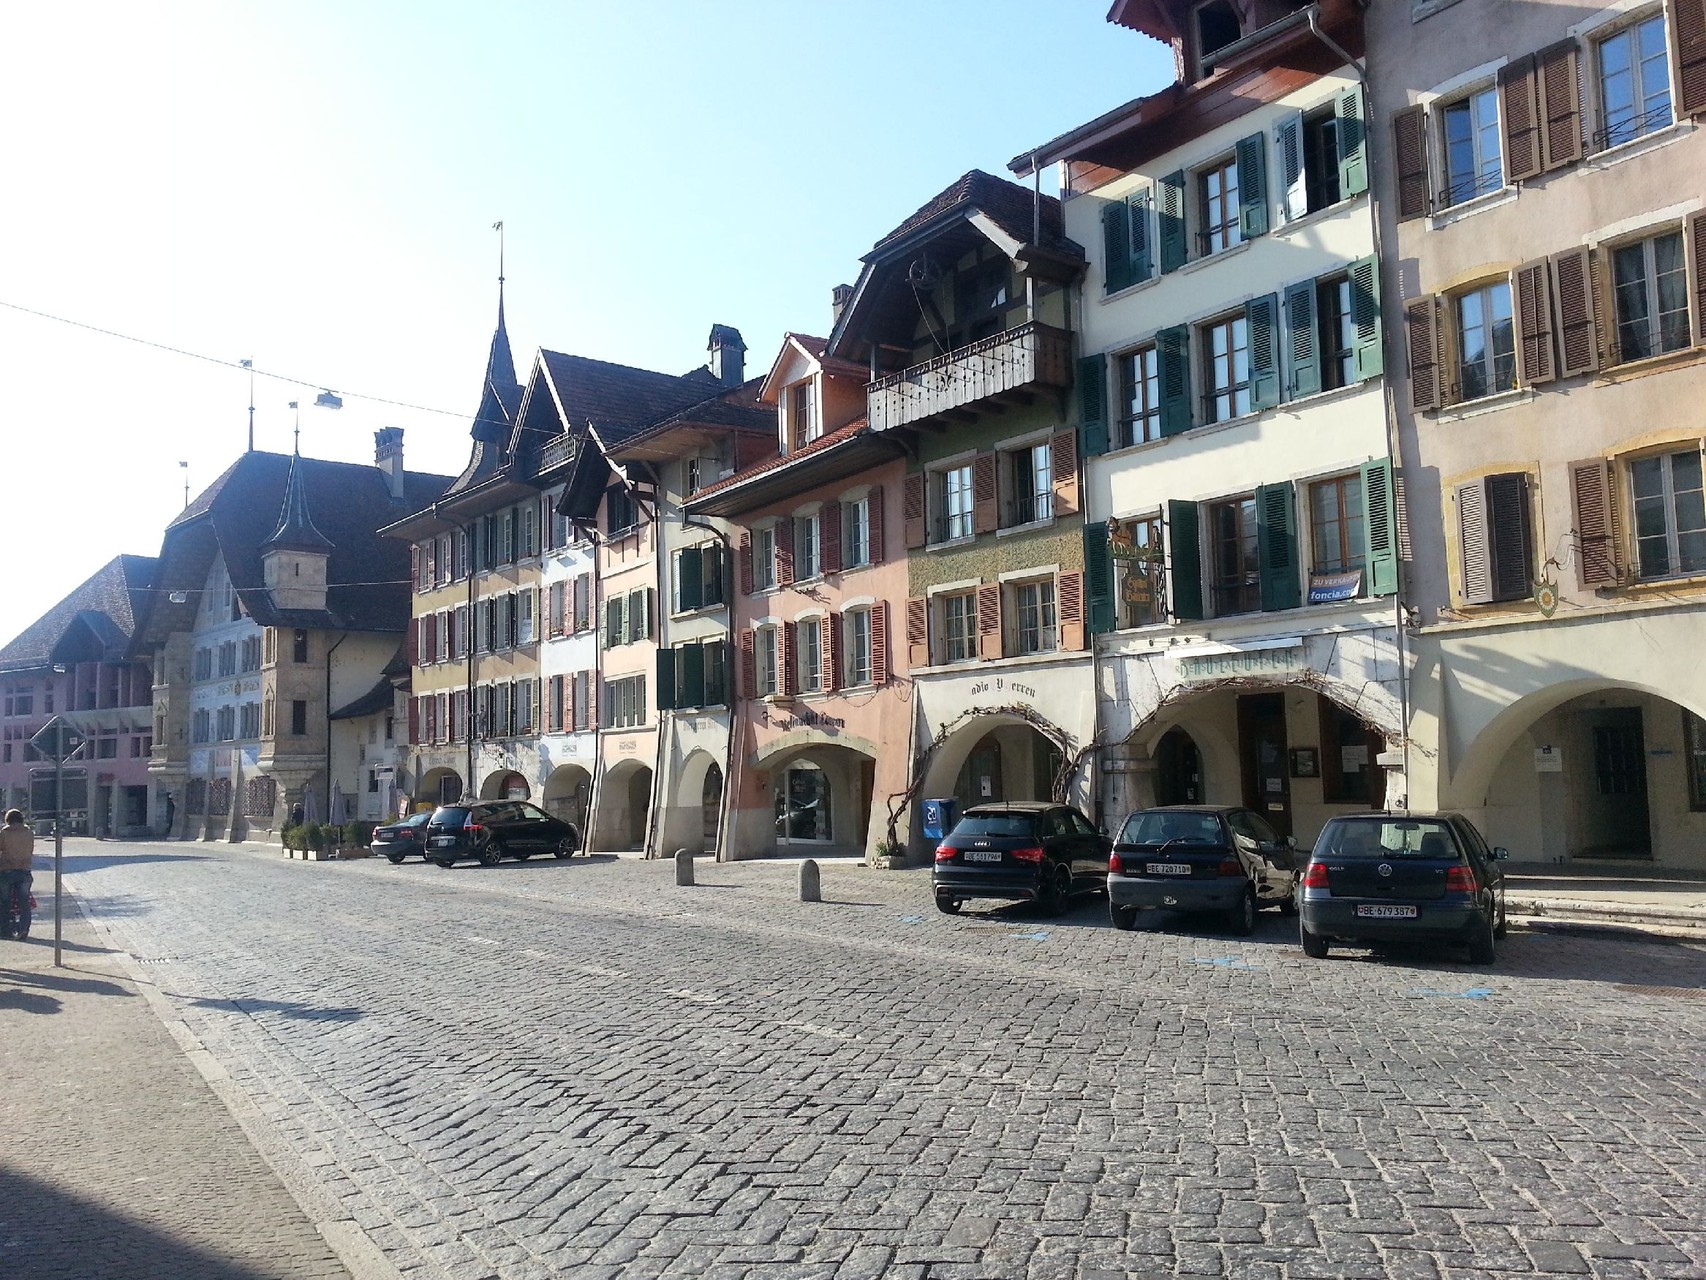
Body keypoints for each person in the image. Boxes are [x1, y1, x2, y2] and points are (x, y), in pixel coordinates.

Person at [0, 808, 35, 940]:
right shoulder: (29, 833)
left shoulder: (4, 833)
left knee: (5, 902)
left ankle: (5, 931)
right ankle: (23, 929)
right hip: (24, 870)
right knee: (24, 902)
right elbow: (30, 850)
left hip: (6, 871)